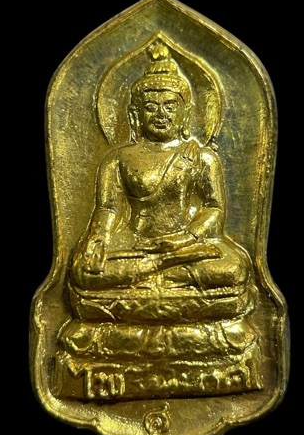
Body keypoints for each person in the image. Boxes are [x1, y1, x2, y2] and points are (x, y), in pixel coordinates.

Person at [70, 42, 252, 320]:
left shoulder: (202, 157)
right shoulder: (118, 158)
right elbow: (108, 208)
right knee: (84, 271)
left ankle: (155, 275)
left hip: (186, 246)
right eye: (150, 107)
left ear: (185, 113)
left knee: (234, 268)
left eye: (169, 106)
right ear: (135, 114)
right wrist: (98, 237)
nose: (160, 114)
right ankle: (164, 272)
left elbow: (214, 208)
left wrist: (185, 238)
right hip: (136, 243)